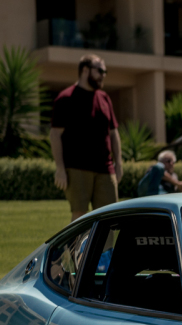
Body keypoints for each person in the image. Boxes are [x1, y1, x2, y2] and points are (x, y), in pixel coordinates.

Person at [50, 54, 122, 221]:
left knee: (110, 216)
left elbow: (113, 133)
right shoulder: (65, 98)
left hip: (105, 168)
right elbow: (55, 134)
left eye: (105, 71)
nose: (103, 75)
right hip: (77, 168)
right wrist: (60, 168)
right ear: (85, 70)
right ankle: (78, 249)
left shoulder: (104, 98)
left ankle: (106, 249)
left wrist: (119, 163)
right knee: (80, 216)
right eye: (100, 70)